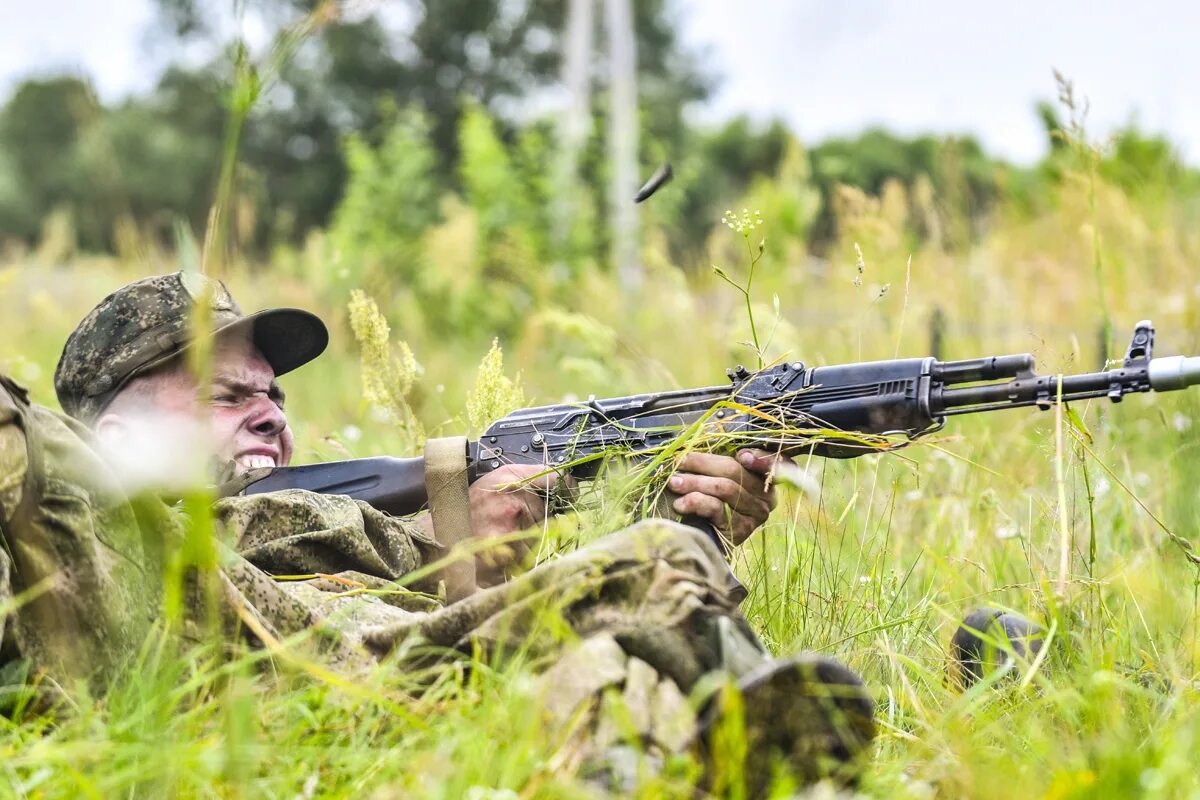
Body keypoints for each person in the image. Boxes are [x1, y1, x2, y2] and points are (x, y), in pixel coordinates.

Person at [1, 271, 875, 792]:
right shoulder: (83, 533)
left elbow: (455, 645)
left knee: (649, 582)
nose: (271, 416)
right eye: (230, 396)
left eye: (277, 397)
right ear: (109, 441)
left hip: (393, 688)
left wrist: (696, 513)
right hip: (266, 703)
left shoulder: (338, 530)